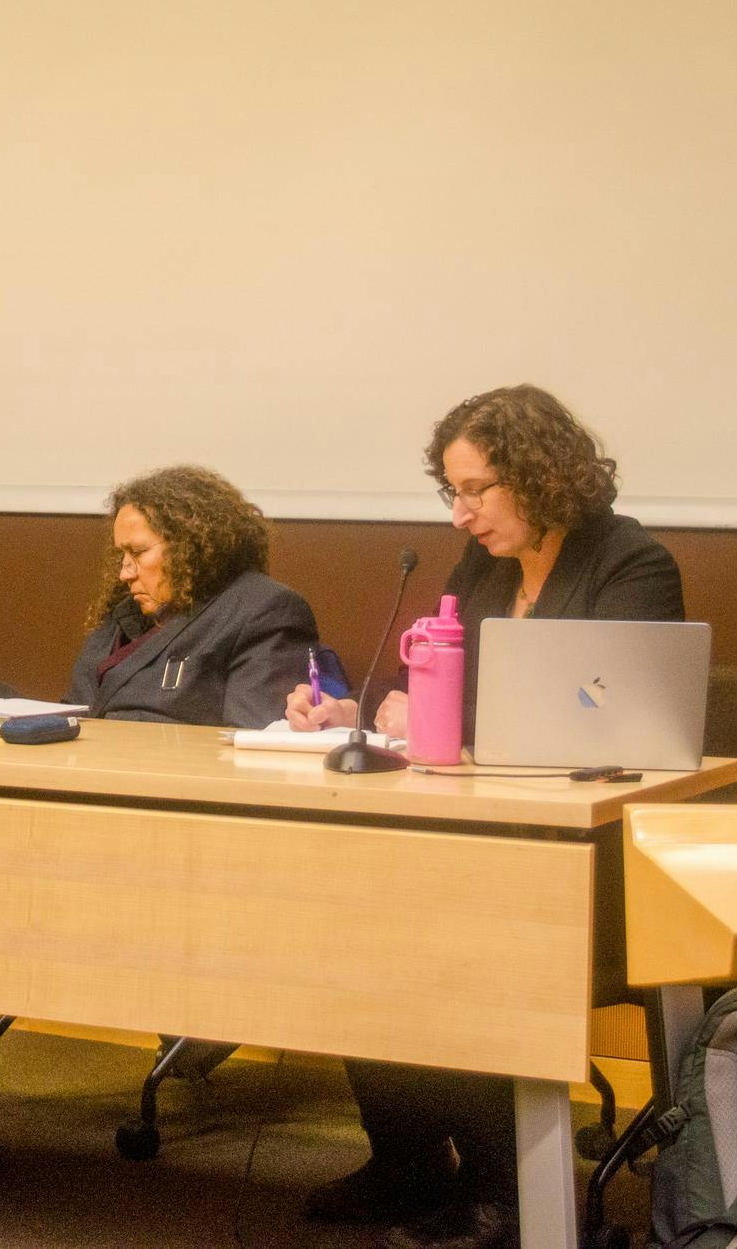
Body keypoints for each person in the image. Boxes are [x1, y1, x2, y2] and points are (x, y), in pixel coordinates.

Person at [0, 464, 321, 1156]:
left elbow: (253, 756)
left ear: (195, 541)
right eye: (121, 554)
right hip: (78, 819)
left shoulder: (263, 609)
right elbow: (88, 714)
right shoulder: (122, 619)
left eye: (139, 553)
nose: (126, 570)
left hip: (172, 847)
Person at [286, 384, 684, 1249]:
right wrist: (361, 710)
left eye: (477, 490)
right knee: (354, 919)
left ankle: (511, 1193)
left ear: (540, 476)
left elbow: (602, 715)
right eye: (451, 493)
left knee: (453, 945)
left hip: (597, 859)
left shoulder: (631, 565)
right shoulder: (485, 568)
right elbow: (435, 684)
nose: (461, 515)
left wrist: (444, 719)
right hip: (483, 833)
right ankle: (409, 1159)